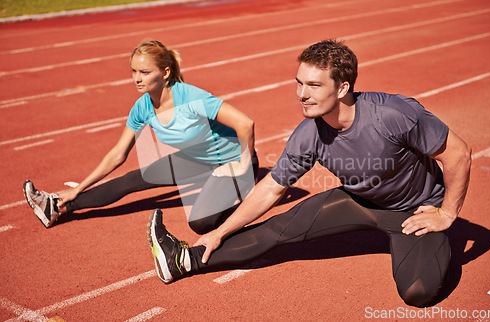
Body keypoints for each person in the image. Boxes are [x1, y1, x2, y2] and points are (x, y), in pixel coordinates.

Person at [146, 39, 472, 307]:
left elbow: (458, 154)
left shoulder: (394, 115)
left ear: (342, 88)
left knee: (417, 293)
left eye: (314, 85)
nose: (302, 94)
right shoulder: (309, 134)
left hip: (416, 213)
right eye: (299, 83)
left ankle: (436, 245)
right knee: (278, 228)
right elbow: (270, 190)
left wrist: (447, 213)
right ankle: (183, 260)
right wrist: (219, 232)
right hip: (362, 202)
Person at [23, 39, 258, 234]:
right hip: (198, 161)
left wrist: (242, 165)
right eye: (134, 71)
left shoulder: (192, 98)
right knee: (132, 179)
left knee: (200, 223)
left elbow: (246, 123)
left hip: (233, 162)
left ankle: (247, 197)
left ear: (165, 72)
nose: (137, 78)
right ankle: (57, 207)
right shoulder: (142, 107)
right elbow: (118, 154)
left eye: (144, 72)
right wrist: (79, 188)